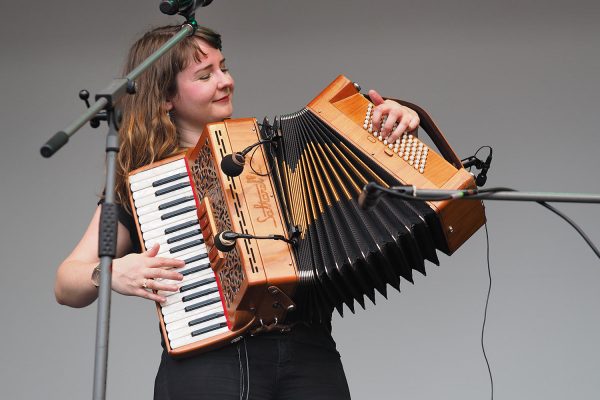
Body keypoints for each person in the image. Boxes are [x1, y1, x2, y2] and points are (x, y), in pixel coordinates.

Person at [54, 24, 420, 400]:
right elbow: (67, 284)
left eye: (224, 68)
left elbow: (374, 189)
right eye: (205, 75)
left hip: (309, 353)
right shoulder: (149, 188)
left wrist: (388, 127)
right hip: (211, 365)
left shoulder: (274, 152)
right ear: (165, 98)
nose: (225, 81)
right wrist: (111, 271)